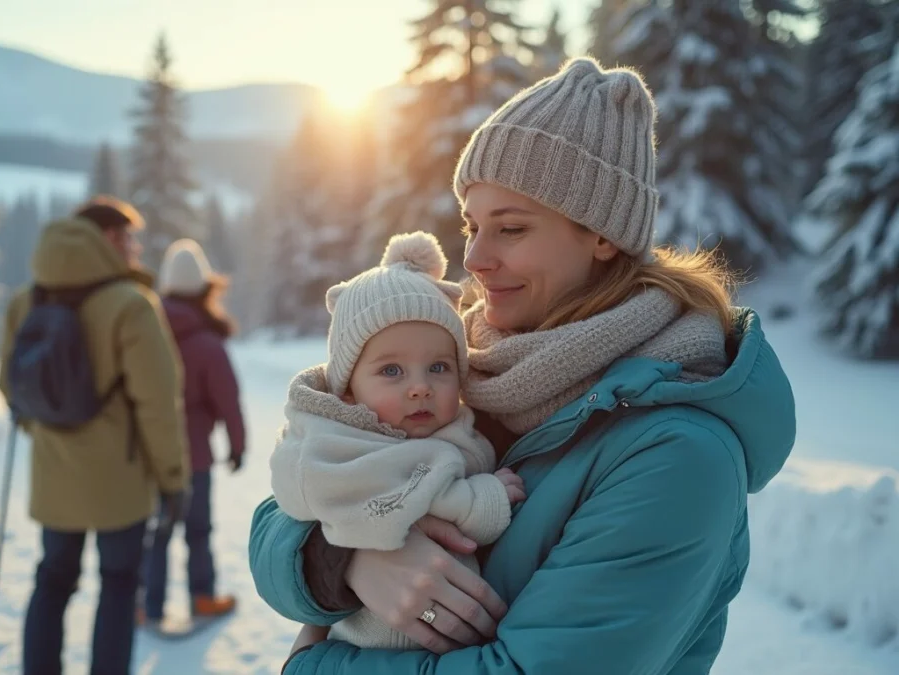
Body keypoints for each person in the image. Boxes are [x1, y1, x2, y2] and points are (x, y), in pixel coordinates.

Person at [248, 57, 797, 674]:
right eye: (471, 225)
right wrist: (345, 560)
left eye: (510, 229)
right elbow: (291, 498)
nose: (476, 259)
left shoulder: (677, 452)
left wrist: (311, 669)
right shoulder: (470, 366)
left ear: (601, 235)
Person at [269, 231, 526, 650]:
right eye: (392, 371)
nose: (420, 388)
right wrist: (486, 497)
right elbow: (431, 498)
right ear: (348, 388)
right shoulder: (347, 443)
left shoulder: (452, 426)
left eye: (439, 367)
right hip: (378, 644)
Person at [0, 196, 190, 675]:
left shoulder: (27, 300)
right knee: (120, 584)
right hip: (119, 484)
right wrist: (172, 479)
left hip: (53, 476)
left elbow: (10, 383)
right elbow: (159, 405)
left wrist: (42, 430)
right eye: (128, 238)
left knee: (53, 581)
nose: (135, 248)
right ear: (104, 239)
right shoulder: (131, 305)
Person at [139, 238, 247, 628]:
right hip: (195, 458)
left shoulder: (145, 328)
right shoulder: (206, 341)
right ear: (204, 285)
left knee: (156, 532)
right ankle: (202, 599)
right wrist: (237, 446)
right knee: (197, 530)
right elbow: (228, 399)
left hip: (151, 455)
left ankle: (146, 607)